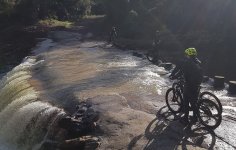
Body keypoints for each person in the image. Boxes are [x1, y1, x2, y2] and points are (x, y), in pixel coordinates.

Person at [169, 48, 203, 125]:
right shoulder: (198, 61)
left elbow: (181, 72)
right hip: (197, 83)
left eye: (186, 54)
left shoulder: (188, 63)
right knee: (194, 101)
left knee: (186, 101)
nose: (185, 56)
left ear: (188, 55)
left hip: (190, 84)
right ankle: (195, 118)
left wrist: (174, 76)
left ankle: (185, 119)